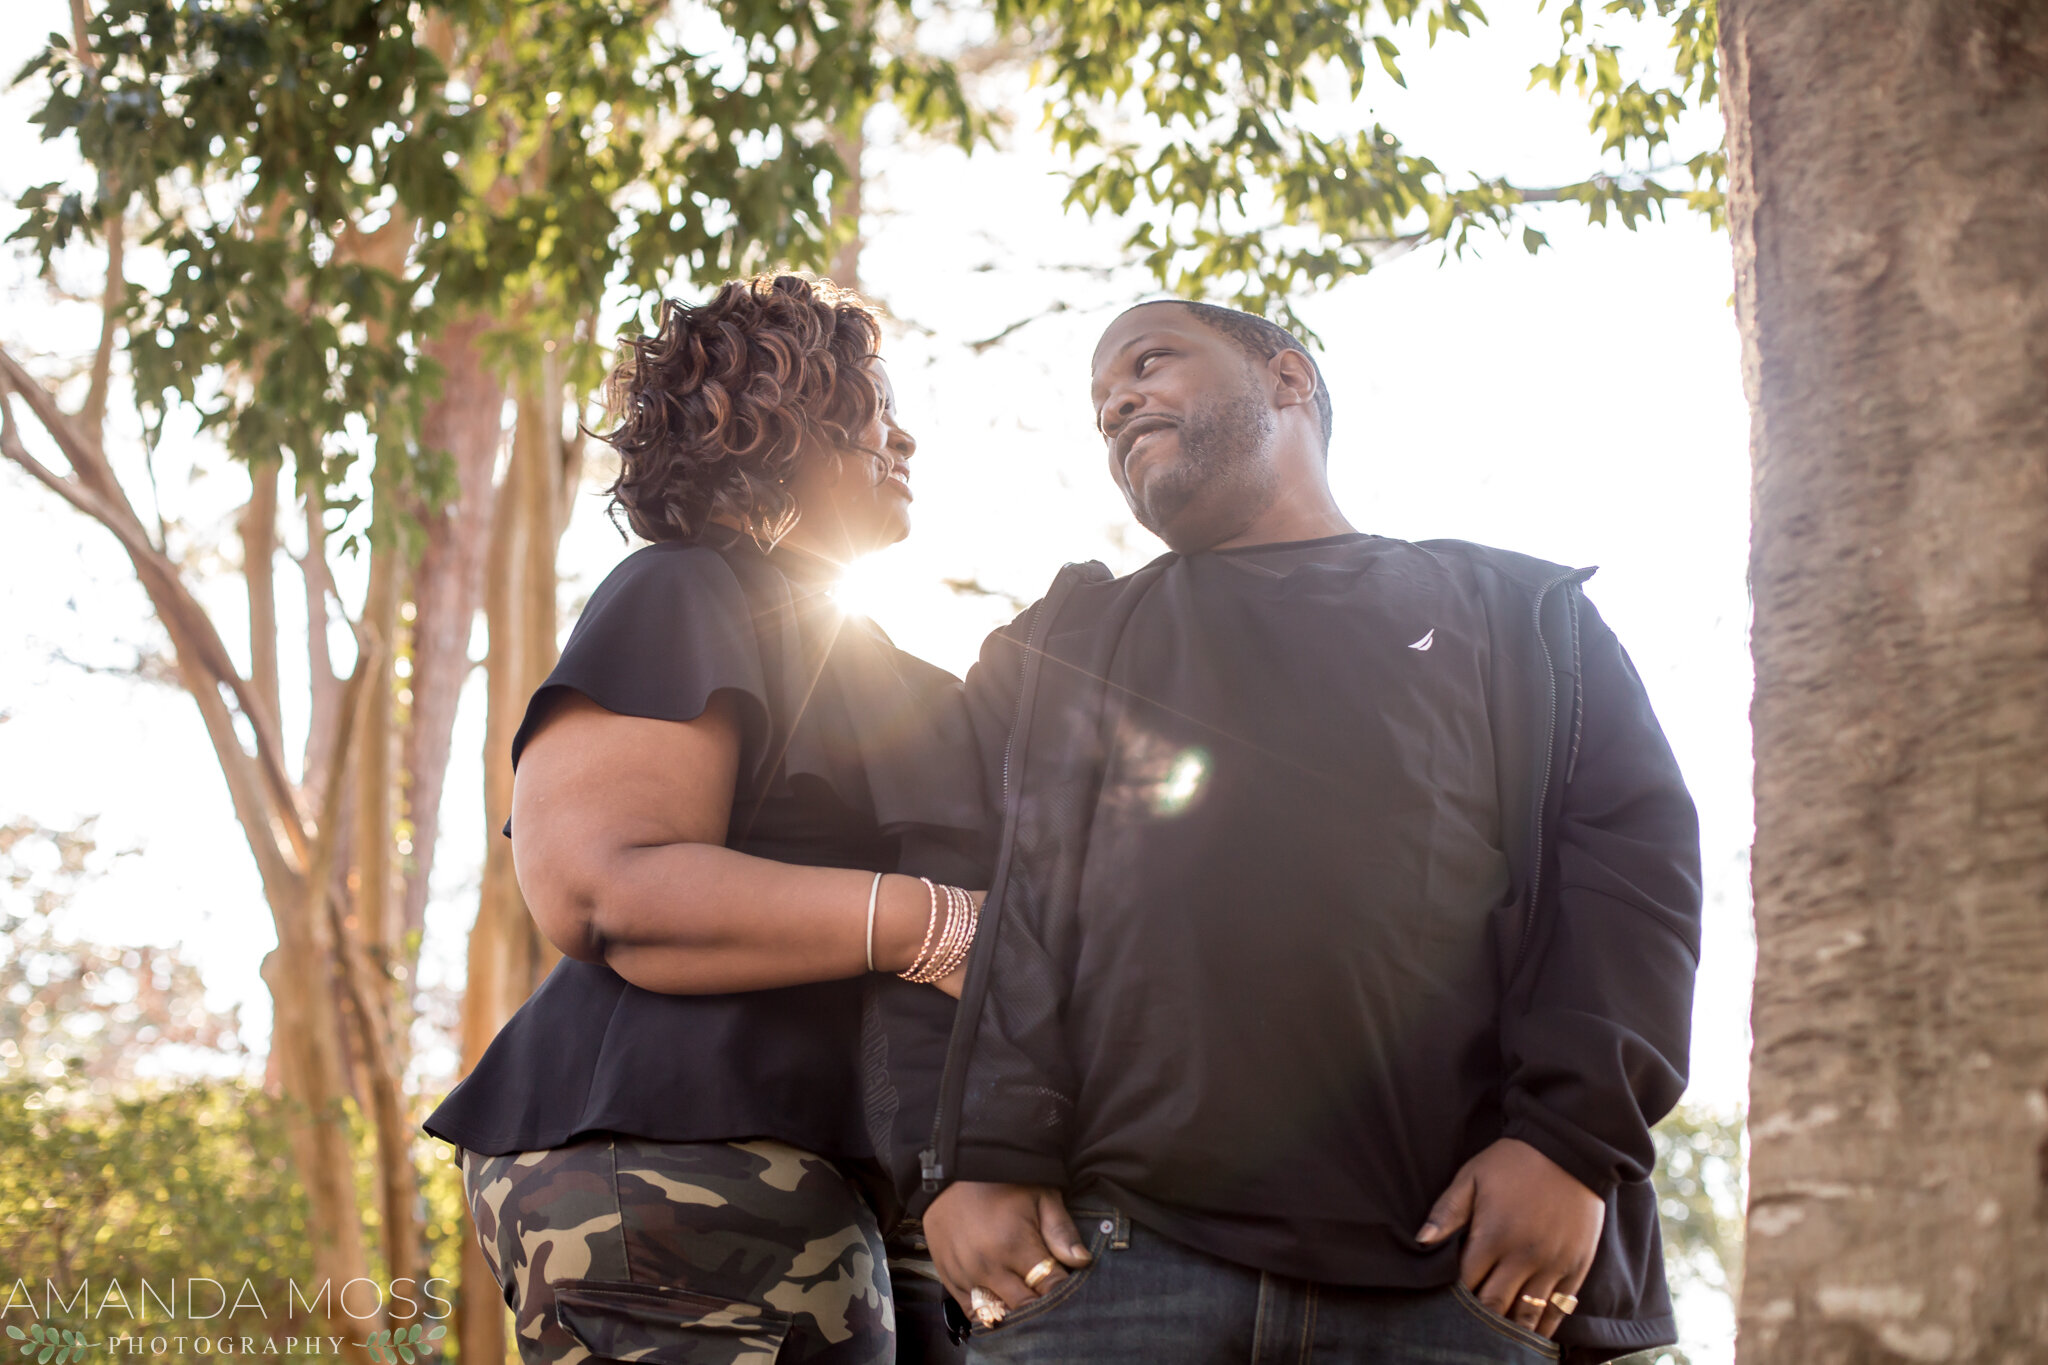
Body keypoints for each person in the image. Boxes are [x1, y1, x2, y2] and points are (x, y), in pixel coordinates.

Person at [907, 299, 1703, 1364]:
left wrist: (1567, 1145)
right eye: (1101, 410)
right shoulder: (1061, 645)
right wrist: (961, 1159)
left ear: (1286, 378)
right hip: (1103, 1269)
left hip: (1457, 1272)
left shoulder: (1515, 616)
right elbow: (948, 892)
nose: (1118, 406)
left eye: (1147, 363)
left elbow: (1631, 878)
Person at [425, 274, 980, 1365]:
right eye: (871, 406)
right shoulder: (679, 592)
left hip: (860, 1179)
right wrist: (945, 927)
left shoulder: (901, 675)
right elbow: (606, 887)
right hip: (671, 1154)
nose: (903, 436)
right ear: (783, 416)